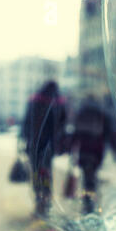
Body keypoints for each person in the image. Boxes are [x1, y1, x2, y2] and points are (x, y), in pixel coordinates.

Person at [21, 81, 67, 216]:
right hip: (50, 145)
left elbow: (26, 123)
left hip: (34, 143)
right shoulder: (58, 102)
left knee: (36, 171)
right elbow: (63, 123)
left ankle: (38, 199)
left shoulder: (34, 100)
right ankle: (45, 200)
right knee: (46, 170)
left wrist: (25, 139)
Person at [71, 95, 116, 213]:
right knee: (92, 175)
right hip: (97, 150)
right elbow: (109, 134)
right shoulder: (102, 114)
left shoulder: (81, 113)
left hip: (84, 150)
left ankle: (88, 200)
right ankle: (91, 199)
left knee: (87, 175)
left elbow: (75, 133)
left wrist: (70, 148)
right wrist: (115, 150)